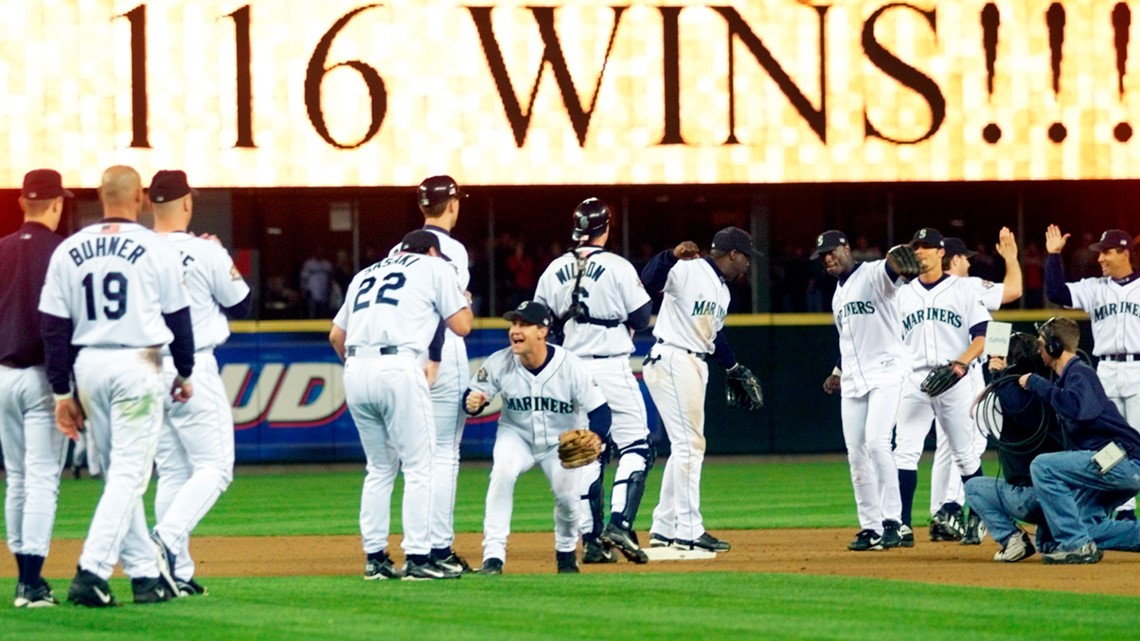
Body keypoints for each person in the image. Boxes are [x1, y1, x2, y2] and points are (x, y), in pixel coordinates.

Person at [39, 165, 195, 606]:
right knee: (129, 475)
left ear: (99, 197)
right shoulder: (154, 246)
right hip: (137, 363)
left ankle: (145, 575)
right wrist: (185, 372)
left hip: (88, 364)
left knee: (118, 477)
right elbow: (178, 318)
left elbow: (52, 327)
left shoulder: (69, 248)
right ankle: (92, 570)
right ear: (141, 199)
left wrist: (61, 391)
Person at [330, 230, 473, 580]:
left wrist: (356, 366)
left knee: (379, 469)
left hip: (355, 368)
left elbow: (336, 336)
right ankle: (418, 558)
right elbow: (462, 326)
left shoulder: (365, 273)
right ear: (430, 251)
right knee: (420, 465)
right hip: (398, 365)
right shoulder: (433, 267)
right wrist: (462, 299)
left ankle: (375, 558)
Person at [534, 198, 654, 564]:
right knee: (637, 446)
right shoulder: (616, 266)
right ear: (606, 228)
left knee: (588, 453)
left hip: (571, 370)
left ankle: (593, 541)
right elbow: (643, 316)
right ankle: (619, 522)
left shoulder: (553, 269)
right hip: (610, 366)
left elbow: (540, 320)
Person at [148, 170, 252, 596]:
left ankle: (179, 573)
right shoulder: (204, 252)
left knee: (173, 470)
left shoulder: (137, 250)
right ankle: (164, 540)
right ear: (187, 203)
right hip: (193, 367)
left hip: (147, 367)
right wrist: (221, 254)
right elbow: (241, 305)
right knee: (216, 468)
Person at [464, 301, 611, 575]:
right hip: (516, 436)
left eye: (523, 325)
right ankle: (493, 558)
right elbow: (473, 396)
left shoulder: (570, 366)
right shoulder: (500, 361)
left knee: (567, 498)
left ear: (543, 331)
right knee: (502, 474)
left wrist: (597, 435)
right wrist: (472, 402)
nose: (514, 331)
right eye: (513, 324)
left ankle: (566, 553)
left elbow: (600, 410)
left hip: (560, 443)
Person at [641, 227, 763, 552]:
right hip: (673, 356)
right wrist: (670, 256)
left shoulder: (723, 292)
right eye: (747, 257)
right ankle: (690, 530)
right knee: (691, 446)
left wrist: (733, 367)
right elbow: (649, 280)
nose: (749, 264)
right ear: (734, 254)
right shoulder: (688, 267)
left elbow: (714, 337)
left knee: (685, 447)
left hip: (693, 360)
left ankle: (664, 526)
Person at [387, 175, 472, 574]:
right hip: (440, 353)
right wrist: (435, 356)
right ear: (452, 204)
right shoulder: (451, 248)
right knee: (443, 455)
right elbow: (447, 310)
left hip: (403, 352)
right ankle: (437, 546)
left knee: (414, 458)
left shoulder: (396, 250)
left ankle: (418, 546)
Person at [0, 169, 71, 607]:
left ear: (24, 202)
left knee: (18, 480)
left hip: (2, 376)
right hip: (44, 378)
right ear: (57, 204)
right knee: (42, 479)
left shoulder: (1, 248)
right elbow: (61, 324)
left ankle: (23, 581)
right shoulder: (62, 252)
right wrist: (66, 388)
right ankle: (32, 582)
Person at [893, 228, 990, 543]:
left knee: (965, 454)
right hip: (915, 378)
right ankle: (902, 525)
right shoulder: (902, 294)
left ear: (940, 253)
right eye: (916, 247)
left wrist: (960, 364)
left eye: (926, 247)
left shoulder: (963, 290)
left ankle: (980, 518)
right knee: (904, 451)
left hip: (955, 377)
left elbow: (982, 336)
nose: (919, 251)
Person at [813, 230, 908, 551]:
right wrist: (837, 372)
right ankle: (870, 526)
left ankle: (894, 521)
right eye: (823, 255)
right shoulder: (837, 295)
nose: (828, 258)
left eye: (832, 251)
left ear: (847, 248)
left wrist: (899, 258)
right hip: (853, 380)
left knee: (878, 442)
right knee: (857, 454)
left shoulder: (871, 274)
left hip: (886, 373)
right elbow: (848, 342)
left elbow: (892, 267)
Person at [927, 230, 1023, 544]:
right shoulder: (967, 286)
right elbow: (1013, 291)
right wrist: (1011, 259)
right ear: (952, 259)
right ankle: (957, 509)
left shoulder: (921, 290)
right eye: (965, 258)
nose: (969, 263)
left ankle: (941, 512)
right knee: (969, 446)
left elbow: (992, 327)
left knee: (947, 447)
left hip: (935, 378)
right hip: (964, 376)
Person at [1020, 317, 1140, 563]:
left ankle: (1077, 545)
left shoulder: (1081, 374)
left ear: (1055, 347)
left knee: (1042, 466)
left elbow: (1078, 410)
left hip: (1124, 459)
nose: (1039, 349)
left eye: (1042, 344)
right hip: (1112, 461)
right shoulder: (1068, 377)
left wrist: (1037, 383)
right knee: (1084, 525)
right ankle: (1082, 538)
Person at [1043, 226, 1140, 520]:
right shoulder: (1095, 287)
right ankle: (1122, 508)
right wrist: (1053, 257)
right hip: (1107, 370)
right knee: (1109, 444)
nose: (1100, 258)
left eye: (1107, 252)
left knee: (1137, 444)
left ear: (1124, 253)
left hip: (1138, 369)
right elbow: (1057, 291)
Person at [964, 332, 1063, 562]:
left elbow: (973, 411)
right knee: (1046, 545)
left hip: (1029, 499)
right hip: (1062, 497)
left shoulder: (1001, 399)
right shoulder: (1054, 389)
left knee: (974, 487)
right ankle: (1053, 537)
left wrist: (997, 375)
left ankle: (1012, 540)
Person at [300, 247, 334, 318]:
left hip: (324, 292)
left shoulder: (327, 264)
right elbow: (304, 278)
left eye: (321, 252)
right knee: (312, 312)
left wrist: (330, 290)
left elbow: (330, 279)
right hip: (312, 292)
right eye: (318, 251)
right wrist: (304, 290)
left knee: (324, 312)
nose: (319, 253)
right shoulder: (309, 264)